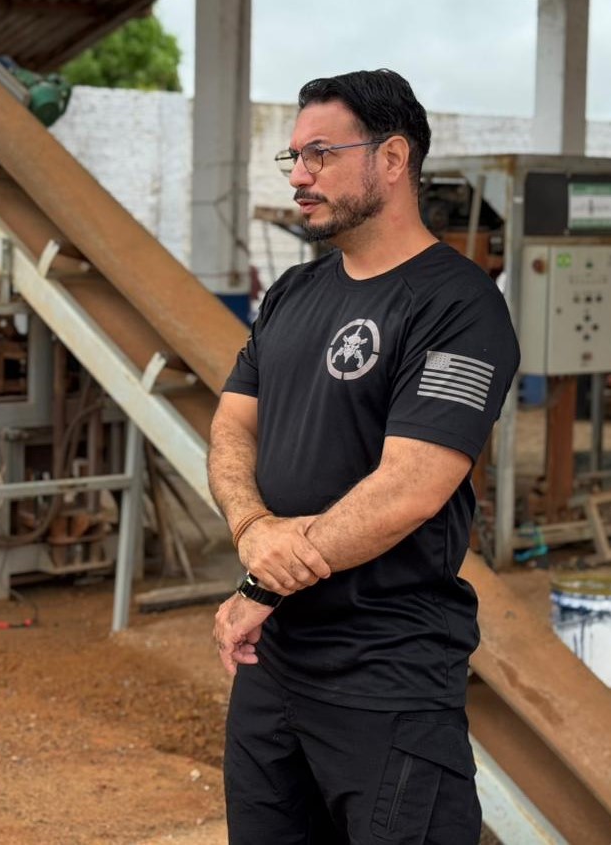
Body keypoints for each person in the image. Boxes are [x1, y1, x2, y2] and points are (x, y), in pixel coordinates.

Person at [208, 70, 519, 844]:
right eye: (293, 157)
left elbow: (411, 487)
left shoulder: (457, 304)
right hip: (273, 669)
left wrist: (263, 578)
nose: (298, 175)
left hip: (387, 675)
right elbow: (232, 425)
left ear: (393, 158)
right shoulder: (293, 292)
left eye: (320, 153)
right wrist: (251, 529)